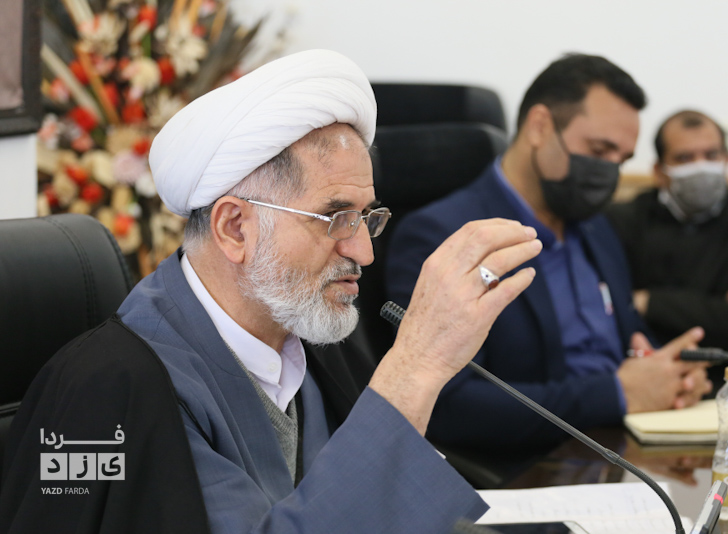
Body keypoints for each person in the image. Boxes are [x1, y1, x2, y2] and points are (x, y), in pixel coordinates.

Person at [0, 50, 544, 533]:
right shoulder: (110, 389)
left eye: (366, 217)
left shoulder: (314, 337)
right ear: (235, 228)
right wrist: (417, 365)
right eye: (336, 218)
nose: (363, 252)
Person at [386, 54, 711, 454]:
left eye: (622, 160)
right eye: (599, 150)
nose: (610, 172)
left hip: (626, 449)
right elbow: (447, 403)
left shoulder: (597, 228)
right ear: (539, 126)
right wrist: (616, 393)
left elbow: (629, 337)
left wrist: (669, 374)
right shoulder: (443, 236)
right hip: (533, 464)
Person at [605, 110, 728, 389]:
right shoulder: (620, 222)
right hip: (637, 381)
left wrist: (648, 301)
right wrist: (720, 307)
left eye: (711, 155)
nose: (701, 167)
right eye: (684, 158)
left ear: (726, 160)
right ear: (659, 171)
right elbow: (610, 314)